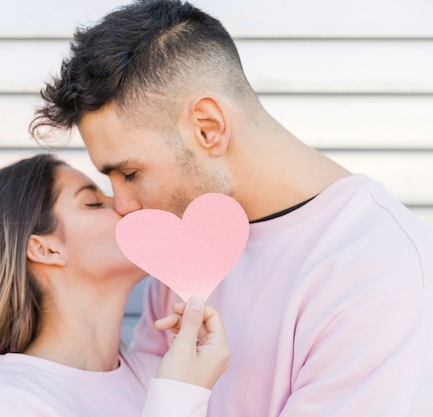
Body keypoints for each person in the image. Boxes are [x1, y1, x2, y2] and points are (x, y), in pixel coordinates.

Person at [29, 1, 433, 416]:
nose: (124, 207)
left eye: (129, 173)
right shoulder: (182, 253)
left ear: (208, 128)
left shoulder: (383, 280)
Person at [0, 153, 230, 417]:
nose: (126, 205)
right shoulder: (0, 401)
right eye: (94, 203)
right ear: (45, 250)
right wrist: (179, 397)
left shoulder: (159, 374)